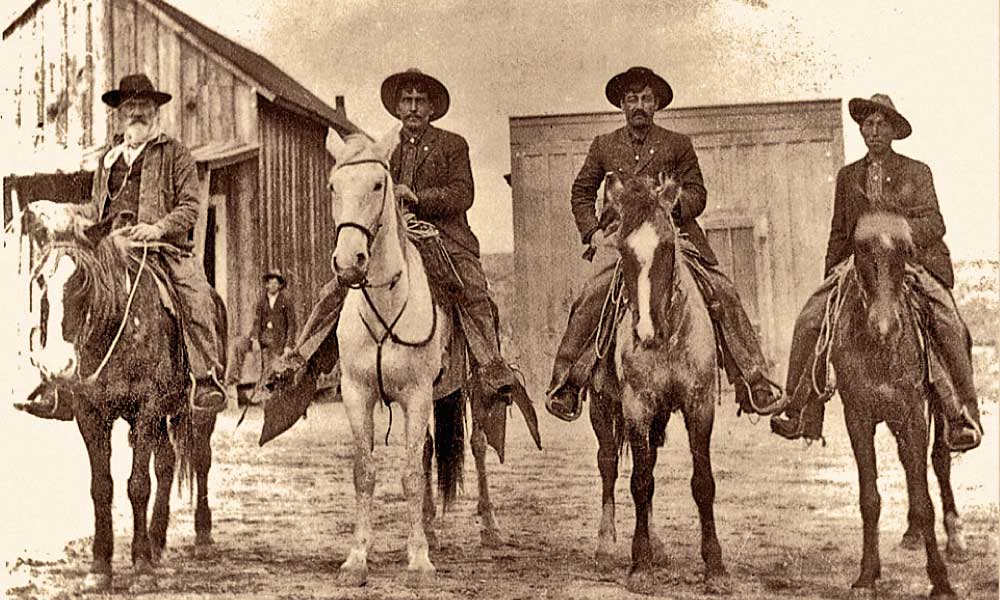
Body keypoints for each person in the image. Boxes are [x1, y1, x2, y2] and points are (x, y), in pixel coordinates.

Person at [268, 68, 518, 423]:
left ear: (432, 108)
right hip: (395, 237)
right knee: (337, 288)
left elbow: (464, 193)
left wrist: (419, 198)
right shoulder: (384, 149)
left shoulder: (452, 144)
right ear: (398, 108)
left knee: (473, 289)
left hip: (444, 236)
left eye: (420, 101)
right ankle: (301, 360)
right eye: (407, 101)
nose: (413, 108)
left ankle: (491, 366)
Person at [545, 66, 784, 422]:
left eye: (645, 99)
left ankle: (752, 379)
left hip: (675, 238)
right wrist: (593, 232)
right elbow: (581, 191)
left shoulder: (677, 144)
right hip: (624, 242)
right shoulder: (604, 145)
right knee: (591, 297)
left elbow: (698, 193)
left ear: (656, 104)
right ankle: (567, 382)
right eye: (631, 99)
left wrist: (672, 207)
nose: (639, 105)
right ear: (622, 106)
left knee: (723, 291)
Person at [770, 94, 983, 451]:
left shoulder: (917, 171)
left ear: (894, 131)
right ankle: (800, 408)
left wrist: (896, 230)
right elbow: (839, 232)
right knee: (810, 318)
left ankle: (961, 414)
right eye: (868, 124)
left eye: (882, 124)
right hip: (859, 267)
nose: (874, 131)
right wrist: (831, 277)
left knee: (949, 322)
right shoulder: (847, 176)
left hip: (910, 264)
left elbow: (936, 222)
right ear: (861, 130)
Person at [15, 73, 227, 418]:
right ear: (120, 113)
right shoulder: (108, 160)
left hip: (160, 249)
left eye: (144, 106)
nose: (137, 113)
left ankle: (203, 378)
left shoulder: (175, 154)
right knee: (64, 284)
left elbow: (190, 207)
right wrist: (62, 210)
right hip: (108, 246)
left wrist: (158, 228)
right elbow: (96, 209)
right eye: (130, 107)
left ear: (155, 111)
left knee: (197, 296)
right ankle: (59, 382)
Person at [225, 269, 297, 387]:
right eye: (270, 282)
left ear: (279, 285)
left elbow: (292, 326)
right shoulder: (262, 301)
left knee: (273, 367)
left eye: (276, 283)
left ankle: (264, 388)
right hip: (261, 339)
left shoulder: (286, 301)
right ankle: (231, 382)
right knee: (237, 344)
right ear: (266, 285)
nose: (273, 285)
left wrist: (288, 345)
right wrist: (254, 339)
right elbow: (257, 322)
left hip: (277, 342)